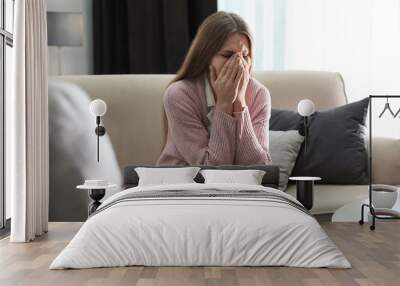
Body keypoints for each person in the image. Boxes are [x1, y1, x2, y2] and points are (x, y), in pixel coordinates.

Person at [156, 11, 272, 166]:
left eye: (245, 56)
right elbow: (211, 168)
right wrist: (224, 104)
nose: (238, 64)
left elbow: (259, 168)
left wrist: (239, 102)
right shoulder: (179, 95)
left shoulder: (259, 94)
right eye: (227, 55)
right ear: (206, 57)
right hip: (179, 184)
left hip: (237, 188)